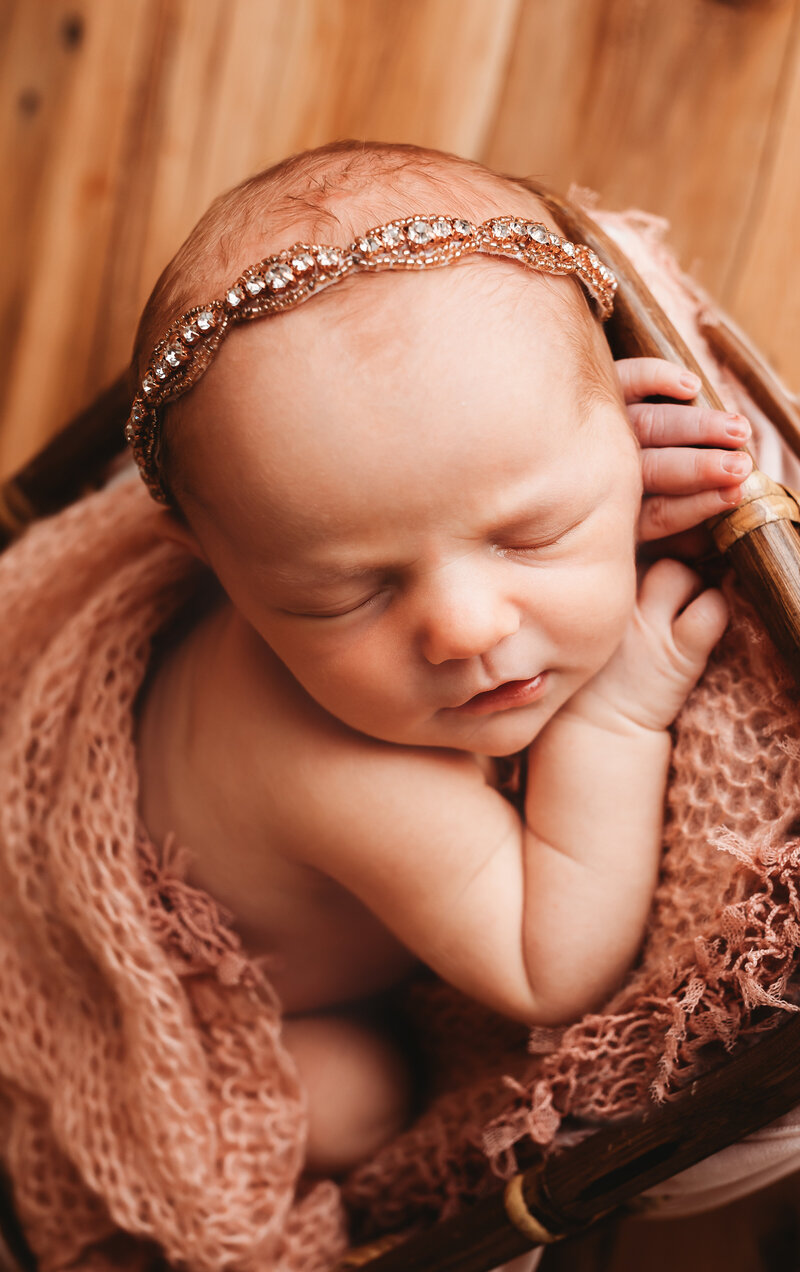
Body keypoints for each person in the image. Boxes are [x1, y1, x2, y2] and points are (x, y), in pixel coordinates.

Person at [129, 140, 753, 1178]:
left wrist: (589, 471)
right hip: (228, 993)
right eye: (347, 592)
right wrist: (614, 717)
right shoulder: (337, 767)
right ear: (218, 568)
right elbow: (546, 967)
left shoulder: (402, 507)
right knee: (349, 1100)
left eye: (531, 529)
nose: (462, 629)